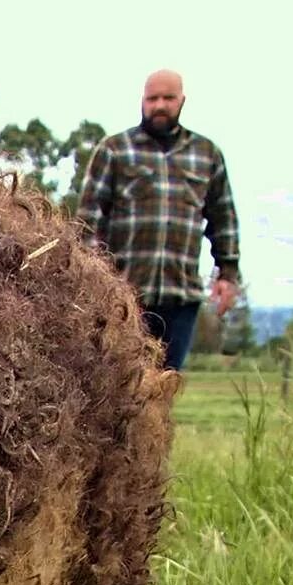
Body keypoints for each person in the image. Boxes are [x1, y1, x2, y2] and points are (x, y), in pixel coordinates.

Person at [73, 69, 241, 372]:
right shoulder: (115, 150)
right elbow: (86, 223)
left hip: (180, 296)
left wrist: (228, 273)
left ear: (182, 100)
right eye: (153, 99)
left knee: (165, 386)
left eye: (168, 98)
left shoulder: (206, 154)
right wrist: (88, 281)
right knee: (118, 386)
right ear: (142, 101)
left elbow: (223, 217)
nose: (160, 105)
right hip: (123, 297)